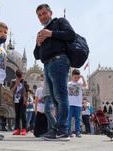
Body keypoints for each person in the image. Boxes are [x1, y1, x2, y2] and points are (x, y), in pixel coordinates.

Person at [33, 3, 76, 141]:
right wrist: (39, 43)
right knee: (55, 99)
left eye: (44, 13)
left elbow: (71, 35)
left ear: (50, 13)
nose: (42, 17)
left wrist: (51, 33)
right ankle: (58, 129)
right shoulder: (41, 32)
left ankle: (63, 130)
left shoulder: (59, 22)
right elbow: (36, 55)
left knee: (61, 96)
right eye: (39, 15)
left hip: (59, 61)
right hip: (47, 65)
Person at [67, 69, 87, 137]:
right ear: (72, 76)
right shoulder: (68, 84)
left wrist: (82, 77)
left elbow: (85, 85)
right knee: (69, 118)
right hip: (70, 104)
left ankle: (77, 132)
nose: (76, 79)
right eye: (75, 77)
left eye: (77, 77)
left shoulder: (80, 84)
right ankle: (68, 131)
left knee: (77, 119)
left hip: (78, 104)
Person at [11, 70, 28, 136]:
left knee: (23, 115)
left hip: (22, 101)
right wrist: (16, 84)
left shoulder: (24, 82)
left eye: (20, 76)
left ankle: (24, 129)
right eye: (18, 76)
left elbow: (27, 92)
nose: (19, 78)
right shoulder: (13, 82)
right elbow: (11, 90)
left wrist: (26, 101)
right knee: (17, 115)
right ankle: (17, 129)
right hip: (16, 100)